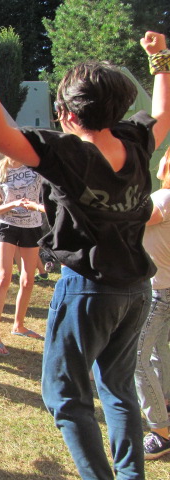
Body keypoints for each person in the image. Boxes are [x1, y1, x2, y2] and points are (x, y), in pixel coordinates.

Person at [0, 30, 170, 478]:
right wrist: (160, 59)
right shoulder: (135, 141)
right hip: (137, 289)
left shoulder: (65, 153)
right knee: (118, 388)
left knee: (64, 395)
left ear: (66, 114)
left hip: (89, 290)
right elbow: (162, 113)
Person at [0, 156, 45, 355]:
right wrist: (14, 204)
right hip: (7, 226)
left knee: (28, 280)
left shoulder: (36, 169)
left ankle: (18, 325)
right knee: (4, 277)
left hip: (32, 227)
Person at [135, 147, 170, 459]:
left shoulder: (165, 198)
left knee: (137, 358)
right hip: (165, 288)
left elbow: (135, 218)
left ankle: (160, 431)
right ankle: (165, 405)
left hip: (158, 291)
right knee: (159, 351)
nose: (161, 161)